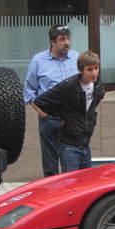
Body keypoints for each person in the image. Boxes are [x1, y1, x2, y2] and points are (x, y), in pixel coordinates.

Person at [33, 51, 105, 173]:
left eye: (96, 68)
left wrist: (90, 118)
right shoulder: (69, 86)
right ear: (81, 70)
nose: (94, 73)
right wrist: (62, 116)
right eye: (89, 69)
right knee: (72, 183)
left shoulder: (97, 85)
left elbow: (94, 103)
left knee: (87, 183)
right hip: (69, 145)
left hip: (85, 142)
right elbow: (41, 101)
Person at [24, 25, 80, 176]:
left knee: (72, 163)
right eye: (62, 39)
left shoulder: (77, 58)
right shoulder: (38, 60)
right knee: (50, 164)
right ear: (53, 42)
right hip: (49, 118)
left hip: (72, 120)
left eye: (68, 39)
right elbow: (29, 91)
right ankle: (52, 196)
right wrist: (43, 114)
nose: (67, 42)